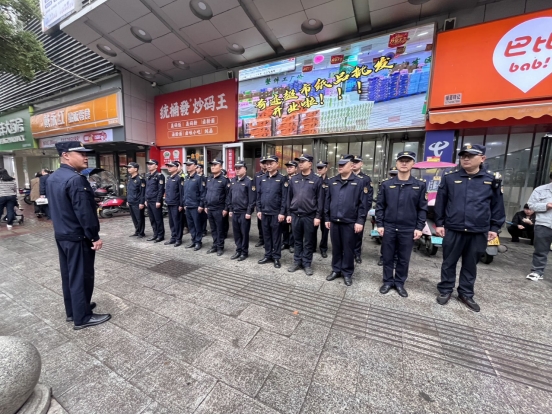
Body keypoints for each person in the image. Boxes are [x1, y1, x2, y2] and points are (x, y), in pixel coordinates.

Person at [46, 141, 110, 330]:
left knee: (69, 275)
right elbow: (84, 213)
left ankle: (74, 310)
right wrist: (94, 236)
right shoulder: (75, 179)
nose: (85, 157)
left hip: (62, 233)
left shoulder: (54, 177)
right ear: (66, 155)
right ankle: (82, 317)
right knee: (82, 276)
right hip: (77, 236)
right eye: (80, 153)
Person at [434, 144, 505, 312]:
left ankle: (466, 293)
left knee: (470, 263)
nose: (465, 158)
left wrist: (494, 227)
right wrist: (440, 223)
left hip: (478, 231)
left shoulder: (491, 180)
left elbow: (497, 206)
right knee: (448, 262)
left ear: (482, 158)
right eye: (463, 155)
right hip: (453, 228)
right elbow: (441, 203)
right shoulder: (450, 178)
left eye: (470, 155)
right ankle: (445, 290)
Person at [376, 151, 427, 297]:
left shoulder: (419, 185)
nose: (404, 163)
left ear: (413, 164)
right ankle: (387, 281)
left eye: (407, 160)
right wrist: (380, 224)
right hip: (389, 227)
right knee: (387, 256)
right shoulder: (387, 185)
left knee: (404, 259)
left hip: (408, 228)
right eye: (401, 160)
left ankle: (399, 283)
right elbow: (380, 207)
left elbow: (422, 208)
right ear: (396, 164)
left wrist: (419, 227)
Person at [324, 155, 367, 286]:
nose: (340, 167)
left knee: (348, 249)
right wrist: (326, 217)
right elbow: (328, 201)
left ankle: (347, 273)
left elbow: (363, 204)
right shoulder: (332, 181)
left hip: (350, 221)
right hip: (335, 221)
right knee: (336, 248)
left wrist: (360, 221)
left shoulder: (359, 182)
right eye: (339, 165)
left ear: (351, 166)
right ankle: (336, 270)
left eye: (344, 165)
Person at [286, 154, 323, 276]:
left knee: (308, 241)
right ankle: (297, 261)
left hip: (309, 216)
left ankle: (307, 263)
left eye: (303, 161)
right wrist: (289, 213)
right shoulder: (294, 179)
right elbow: (289, 197)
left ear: (310, 164)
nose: (300, 163)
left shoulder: (317, 179)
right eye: (299, 162)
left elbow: (320, 200)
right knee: (297, 240)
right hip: (295, 215)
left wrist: (318, 216)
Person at [257, 155, 288, 269]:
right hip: (264, 212)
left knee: (276, 236)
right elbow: (259, 195)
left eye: (271, 163)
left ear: (277, 165)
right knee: (266, 236)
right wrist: (259, 210)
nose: (268, 165)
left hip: (276, 213)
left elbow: (285, 198)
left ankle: (276, 257)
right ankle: (268, 254)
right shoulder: (262, 178)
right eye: (267, 163)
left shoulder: (282, 178)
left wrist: (282, 213)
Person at [227, 160, 256, 261]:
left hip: (244, 213)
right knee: (236, 233)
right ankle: (238, 250)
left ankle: (244, 252)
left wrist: (249, 212)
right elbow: (229, 196)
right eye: (236, 168)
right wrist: (230, 208)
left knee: (244, 233)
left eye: (240, 168)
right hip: (235, 212)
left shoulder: (249, 181)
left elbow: (252, 199)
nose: (237, 170)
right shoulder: (233, 180)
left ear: (245, 169)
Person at [526, 175, 552, 281]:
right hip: (544, 223)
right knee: (541, 249)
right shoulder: (540, 190)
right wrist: (546, 206)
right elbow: (531, 205)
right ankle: (537, 271)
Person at [205, 158, 229, 256]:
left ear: (221, 167)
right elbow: (206, 193)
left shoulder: (224, 180)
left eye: (215, 165)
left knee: (220, 229)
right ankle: (214, 245)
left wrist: (226, 208)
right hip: (210, 208)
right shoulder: (209, 179)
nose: (213, 167)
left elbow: (228, 196)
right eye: (212, 165)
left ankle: (220, 247)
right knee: (213, 229)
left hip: (219, 209)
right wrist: (205, 205)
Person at [351, 156, 374, 264]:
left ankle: (357, 253)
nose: (354, 164)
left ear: (361, 164)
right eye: (353, 162)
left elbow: (368, 197)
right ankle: (347, 252)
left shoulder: (365, 179)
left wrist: (364, 211)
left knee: (358, 234)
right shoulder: (346, 176)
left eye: (357, 162)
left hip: (360, 212)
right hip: (347, 212)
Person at [183, 158, 206, 251]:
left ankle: (198, 242)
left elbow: (202, 193)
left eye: (190, 165)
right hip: (188, 205)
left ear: (196, 166)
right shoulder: (187, 178)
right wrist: (184, 203)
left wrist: (201, 205)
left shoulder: (199, 178)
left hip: (196, 206)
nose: (188, 166)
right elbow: (185, 192)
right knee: (191, 225)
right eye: (187, 165)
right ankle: (193, 240)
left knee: (197, 225)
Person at [377, 168, 399, 266]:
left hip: (400, 219)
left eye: (395, 174)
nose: (393, 176)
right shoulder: (385, 184)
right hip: (388, 217)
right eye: (392, 174)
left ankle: (395, 259)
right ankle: (383, 258)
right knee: (386, 242)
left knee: (398, 241)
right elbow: (381, 203)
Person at [164, 161, 184, 247]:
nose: (169, 168)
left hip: (176, 204)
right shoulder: (168, 178)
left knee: (177, 222)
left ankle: (178, 239)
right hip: (169, 203)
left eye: (171, 166)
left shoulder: (179, 178)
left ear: (176, 168)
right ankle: (173, 237)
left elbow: (181, 192)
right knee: (171, 222)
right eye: (168, 166)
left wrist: (181, 204)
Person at [144, 159, 165, 243]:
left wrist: (158, 200)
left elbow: (161, 189)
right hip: (149, 200)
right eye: (148, 164)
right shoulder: (148, 175)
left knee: (158, 219)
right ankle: (155, 234)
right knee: (152, 219)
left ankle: (160, 235)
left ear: (156, 166)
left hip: (155, 200)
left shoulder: (159, 175)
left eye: (151, 164)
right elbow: (147, 189)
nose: (149, 166)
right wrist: (145, 199)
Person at [313, 160, 330, 258]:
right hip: (315, 210)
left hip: (326, 211)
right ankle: (313, 247)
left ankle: (323, 249)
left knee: (325, 231)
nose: (319, 170)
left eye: (321, 168)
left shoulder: (330, 181)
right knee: (313, 230)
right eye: (318, 168)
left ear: (326, 169)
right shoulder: (314, 180)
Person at [126, 162, 146, 238]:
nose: (128, 169)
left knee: (139, 218)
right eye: (128, 168)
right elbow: (129, 190)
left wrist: (141, 202)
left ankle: (141, 232)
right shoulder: (130, 178)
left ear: (135, 169)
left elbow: (142, 192)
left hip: (137, 202)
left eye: (130, 167)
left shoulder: (140, 179)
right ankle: (137, 231)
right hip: (131, 201)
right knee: (134, 218)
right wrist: (128, 200)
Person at [281, 160, 297, 252]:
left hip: (293, 207)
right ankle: (285, 242)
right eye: (287, 167)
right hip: (284, 206)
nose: (289, 169)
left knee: (293, 227)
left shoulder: (298, 179)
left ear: (296, 168)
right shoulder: (283, 179)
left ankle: (292, 244)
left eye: (291, 167)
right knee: (284, 226)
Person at [254, 158, 267, 247]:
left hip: (269, 202)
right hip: (260, 202)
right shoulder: (257, 175)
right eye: (263, 163)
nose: (265, 164)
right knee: (260, 223)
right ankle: (261, 238)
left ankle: (268, 240)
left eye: (266, 163)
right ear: (260, 164)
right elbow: (254, 189)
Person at [176, 161, 189, 236]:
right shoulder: (172, 176)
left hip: (183, 197)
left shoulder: (184, 175)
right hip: (176, 199)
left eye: (177, 166)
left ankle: (186, 227)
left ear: (180, 167)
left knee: (184, 214)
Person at [197, 163, 208, 237]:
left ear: (201, 169)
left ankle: (204, 230)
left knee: (203, 216)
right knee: (198, 217)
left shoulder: (204, 178)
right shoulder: (195, 177)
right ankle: (199, 229)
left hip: (203, 199)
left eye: (198, 168)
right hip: (197, 200)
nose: (196, 169)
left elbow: (204, 190)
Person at [221, 168, 230, 239]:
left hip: (224, 203)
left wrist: (227, 207)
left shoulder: (226, 180)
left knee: (224, 220)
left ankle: (225, 232)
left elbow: (228, 194)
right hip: (218, 204)